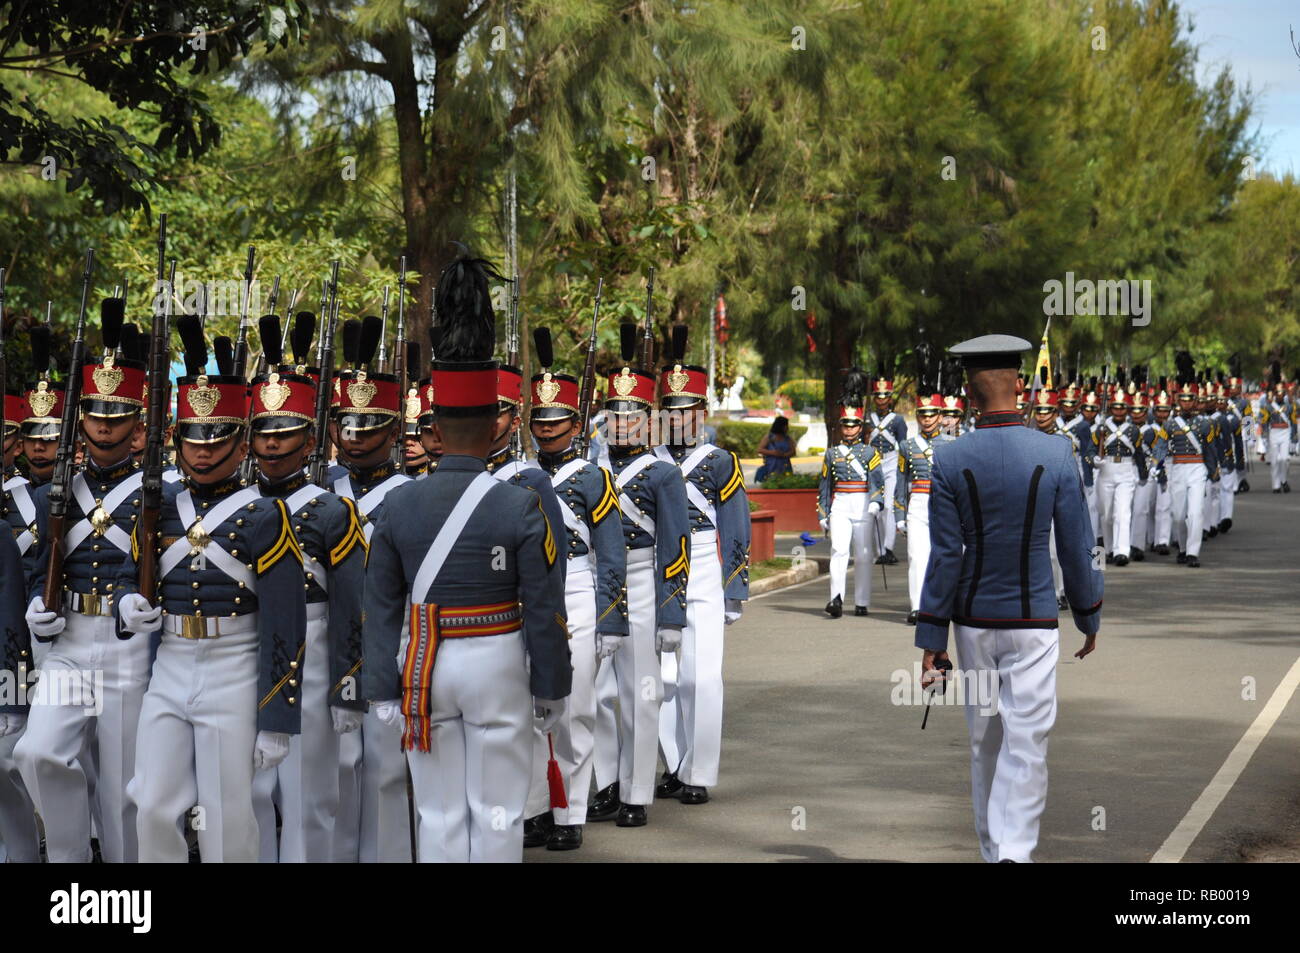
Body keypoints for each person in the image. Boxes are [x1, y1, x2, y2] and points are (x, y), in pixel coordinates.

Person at [361, 252, 570, 863]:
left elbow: (379, 609)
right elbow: (544, 608)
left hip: (423, 667)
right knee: (498, 813)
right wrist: (552, 682)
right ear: (492, 426)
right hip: (498, 664)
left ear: (435, 429)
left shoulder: (397, 507)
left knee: (438, 813)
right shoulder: (521, 504)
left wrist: (379, 687)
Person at [113, 317, 307, 862]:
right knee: (150, 801)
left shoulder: (265, 515)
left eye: (216, 439)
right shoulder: (156, 507)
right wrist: (128, 604)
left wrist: (278, 717)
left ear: (240, 442)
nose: (202, 452)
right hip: (171, 660)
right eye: (192, 439)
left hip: (236, 664)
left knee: (226, 813)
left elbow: (285, 622)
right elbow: (132, 571)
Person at [916, 334, 1103, 864]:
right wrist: (1089, 613)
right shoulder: (1056, 452)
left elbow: (944, 556)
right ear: (1019, 386)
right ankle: (1014, 855)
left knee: (984, 743)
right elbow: (1077, 545)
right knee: (1027, 744)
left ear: (970, 393)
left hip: (972, 622)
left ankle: (993, 850)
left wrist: (931, 637)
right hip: (1035, 619)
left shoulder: (949, 459)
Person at [17, 298, 150, 864]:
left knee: (122, 792)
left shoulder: (159, 489)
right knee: (38, 753)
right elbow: (36, 564)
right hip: (68, 641)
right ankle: (70, 866)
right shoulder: (59, 490)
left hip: (127, 647)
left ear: (138, 427)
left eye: (116, 418)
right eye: (95, 416)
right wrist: (33, 604)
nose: (103, 427)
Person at [248, 330, 368, 863]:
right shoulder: (237, 508)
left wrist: (349, 683)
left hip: (313, 655)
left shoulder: (331, 510)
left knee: (308, 795)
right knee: (249, 794)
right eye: (263, 433)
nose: (273, 444)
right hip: (242, 648)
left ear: (310, 437)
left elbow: (350, 605)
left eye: (286, 433)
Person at [523, 327, 627, 851]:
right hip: (530, 597)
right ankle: (535, 808)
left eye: (556, 421)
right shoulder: (517, 477)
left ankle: (569, 813)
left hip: (580, 594)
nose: (546, 431)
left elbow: (612, 553)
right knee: (527, 709)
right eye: (539, 422)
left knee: (575, 706)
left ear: (575, 423)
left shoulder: (592, 478)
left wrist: (612, 618)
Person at [590, 326, 690, 828]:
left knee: (639, 693)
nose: (623, 425)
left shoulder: (662, 473)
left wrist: (672, 613)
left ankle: (636, 791)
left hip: (643, 581)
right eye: (616, 416)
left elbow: (675, 546)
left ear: (649, 421)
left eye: (633, 417)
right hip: (593, 581)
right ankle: (605, 783)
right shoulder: (590, 468)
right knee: (595, 695)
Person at [327, 320, 413, 863]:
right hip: (327, 642)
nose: (356, 438)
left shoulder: (411, 495)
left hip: (391, 641)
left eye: (369, 427)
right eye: (348, 426)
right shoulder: (316, 491)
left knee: (386, 769)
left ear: (392, 428)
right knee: (333, 772)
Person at [654, 326, 747, 807]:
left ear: (701, 412)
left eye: (686, 410)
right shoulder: (646, 460)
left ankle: (699, 770)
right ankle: (672, 762)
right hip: (658, 566)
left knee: (701, 675)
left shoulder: (719, 462)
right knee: (662, 676)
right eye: (670, 410)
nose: (678, 418)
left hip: (706, 564)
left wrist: (735, 587)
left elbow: (735, 527)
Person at [817, 368, 885, 619]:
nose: (848, 428)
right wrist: (823, 511)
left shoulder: (869, 453)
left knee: (864, 554)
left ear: (860, 425)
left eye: (853, 423)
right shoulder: (832, 453)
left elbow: (878, 483)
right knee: (839, 549)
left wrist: (877, 502)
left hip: (863, 502)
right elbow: (825, 485)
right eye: (845, 423)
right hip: (841, 504)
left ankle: (862, 600)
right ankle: (836, 598)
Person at [895, 392, 954, 625]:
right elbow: (901, 483)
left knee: (945, 557)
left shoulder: (951, 444)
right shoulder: (907, 446)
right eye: (923, 414)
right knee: (917, 557)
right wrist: (899, 514)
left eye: (932, 414)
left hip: (945, 504)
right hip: (918, 504)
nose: (927, 419)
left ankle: (945, 606)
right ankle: (918, 607)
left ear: (940, 416)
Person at [1155, 382, 1218, 567]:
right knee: (1178, 515)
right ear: (1178, 401)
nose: (1187, 404)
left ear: (1196, 401)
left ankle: (1193, 553)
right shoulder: (1169, 425)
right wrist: (1156, 465)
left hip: (1197, 468)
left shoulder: (1205, 424)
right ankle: (1183, 548)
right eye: (1183, 400)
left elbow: (1210, 450)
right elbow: (1160, 447)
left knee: (1196, 512)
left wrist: (1214, 472)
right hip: (1178, 468)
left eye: (1190, 400)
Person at [1089, 388, 1147, 567]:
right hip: (1106, 469)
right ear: (1111, 408)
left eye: (1122, 408)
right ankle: (1109, 549)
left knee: (1122, 512)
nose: (1119, 411)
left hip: (1126, 469)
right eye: (1116, 407)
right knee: (1106, 514)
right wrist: (1094, 460)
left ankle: (1122, 551)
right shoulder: (1100, 428)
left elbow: (1139, 454)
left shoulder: (1134, 430)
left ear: (1127, 409)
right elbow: (1090, 450)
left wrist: (1144, 474)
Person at [868, 376, 907, 564]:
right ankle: (879, 551)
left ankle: (889, 548)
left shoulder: (898, 420)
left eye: (885, 397)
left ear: (890, 399)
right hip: (873, 463)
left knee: (889, 508)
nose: (881, 401)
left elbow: (903, 445)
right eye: (878, 397)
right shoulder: (868, 419)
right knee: (875, 508)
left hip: (891, 461)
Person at [754, 415, 795, 483]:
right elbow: (759, 449)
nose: (787, 428)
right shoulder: (769, 437)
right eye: (786, 426)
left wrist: (784, 455)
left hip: (785, 465)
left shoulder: (787, 438)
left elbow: (793, 451)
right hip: (771, 466)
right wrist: (773, 453)